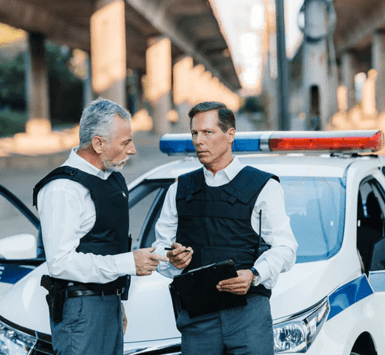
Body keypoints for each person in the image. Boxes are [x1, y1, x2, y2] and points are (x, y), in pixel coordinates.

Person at [153, 101, 298, 354]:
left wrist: (253, 274)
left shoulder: (264, 186)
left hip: (248, 315)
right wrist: (171, 258)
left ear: (230, 134)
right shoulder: (179, 189)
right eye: (194, 133)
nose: (199, 141)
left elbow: (286, 248)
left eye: (208, 132)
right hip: (198, 318)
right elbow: (160, 249)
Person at [33, 99, 168, 355]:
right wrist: (129, 263)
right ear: (98, 143)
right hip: (81, 311)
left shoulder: (111, 179)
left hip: (107, 304)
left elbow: (107, 243)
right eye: (126, 142)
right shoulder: (63, 189)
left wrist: (117, 303)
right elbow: (61, 263)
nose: (133, 150)